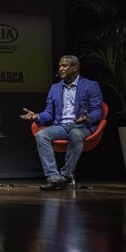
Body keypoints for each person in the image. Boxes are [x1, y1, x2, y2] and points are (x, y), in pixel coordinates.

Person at [21, 55, 103, 191]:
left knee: (75, 135)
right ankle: (53, 177)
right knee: (42, 135)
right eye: (60, 66)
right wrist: (36, 116)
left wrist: (87, 117)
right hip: (61, 126)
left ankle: (64, 176)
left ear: (75, 68)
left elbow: (98, 111)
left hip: (81, 126)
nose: (60, 69)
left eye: (65, 66)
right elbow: (49, 113)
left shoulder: (90, 85)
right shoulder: (55, 88)